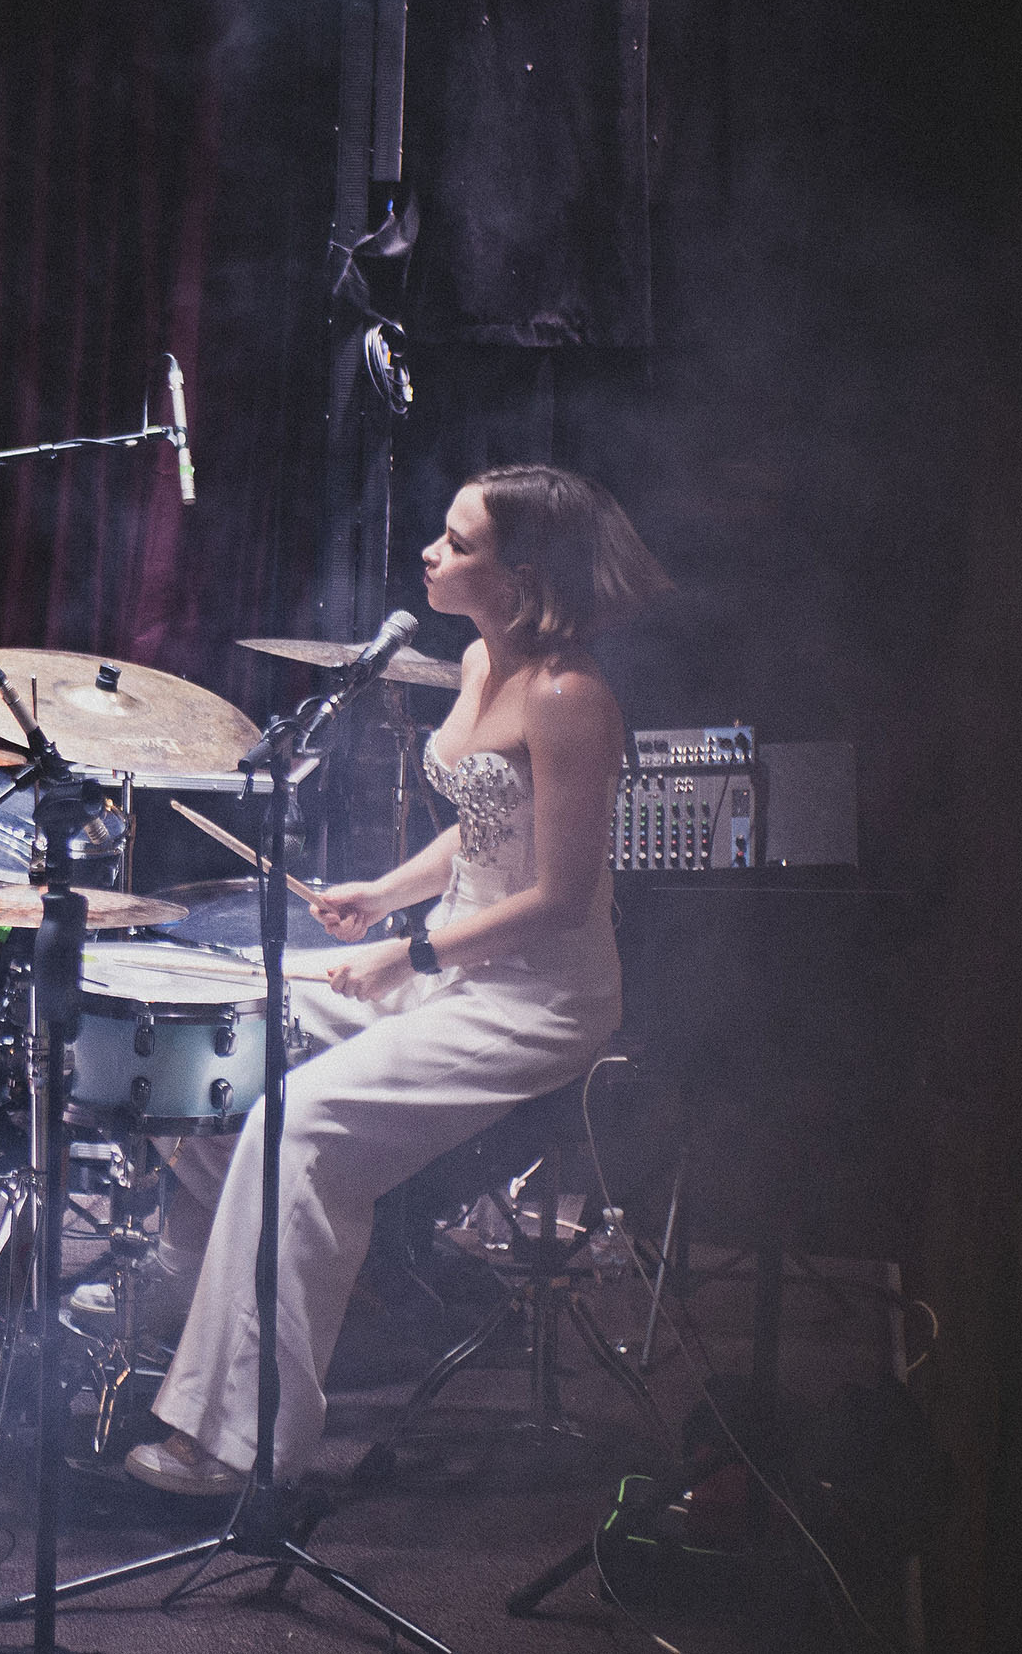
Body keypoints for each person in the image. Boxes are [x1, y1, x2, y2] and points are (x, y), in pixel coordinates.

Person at [124, 464, 672, 1497]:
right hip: (451, 953)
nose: (432, 551)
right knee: (203, 1036)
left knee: (299, 1126)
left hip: (535, 1000)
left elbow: (561, 895)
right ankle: (194, 1334)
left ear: (520, 575)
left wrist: (410, 952)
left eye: (460, 543)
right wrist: (384, 895)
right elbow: (488, 821)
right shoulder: (478, 660)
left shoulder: (571, 696)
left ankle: (244, 1442)